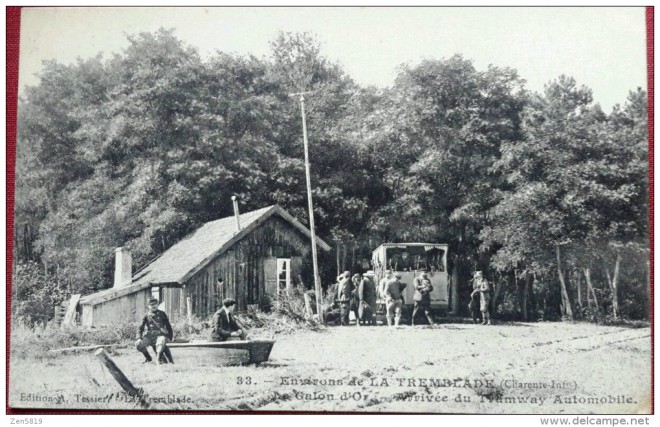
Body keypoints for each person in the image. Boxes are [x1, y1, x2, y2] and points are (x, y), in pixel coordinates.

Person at [136, 297, 174, 365]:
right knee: (138, 344)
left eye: (155, 304)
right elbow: (140, 327)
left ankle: (158, 359)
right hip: (150, 336)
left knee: (161, 342)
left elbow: (168, 326)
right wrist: (139, 338)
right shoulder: (146, 315)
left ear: (157, 304)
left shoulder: (162, 314)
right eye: (151, 304)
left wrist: (170, 337)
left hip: (160, 335)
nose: (154, 306)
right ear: (148, 306)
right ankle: (148, 358)